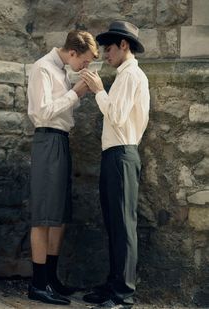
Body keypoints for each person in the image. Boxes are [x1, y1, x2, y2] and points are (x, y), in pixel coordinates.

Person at [81, 21, 150, 309]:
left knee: (123, 225)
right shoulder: (124, 75)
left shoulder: (131, 75)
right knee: (114, 223)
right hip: (114, 154)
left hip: (122, 154)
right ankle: (113, 285)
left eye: (109, 48)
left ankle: (123, 295)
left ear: (124, 46)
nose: (105, 54)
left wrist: (98, 89)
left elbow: (118, 116)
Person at [27, 30, 99, 305]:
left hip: (61, 141)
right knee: (44, 213)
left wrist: (74, 89)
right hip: (47, 140)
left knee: (59, 214)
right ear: (72, 53)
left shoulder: (62, 70)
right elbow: (42, 112)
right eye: (86, 61)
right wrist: (76, 93)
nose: (86, 66)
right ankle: (38, 284)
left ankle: (51, 279)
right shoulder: (42, 69)